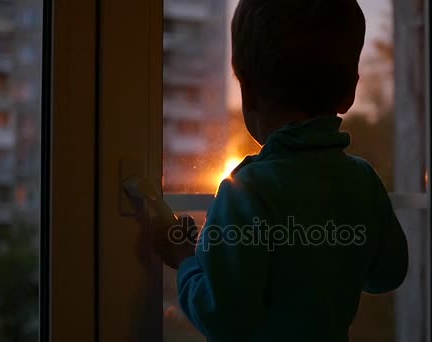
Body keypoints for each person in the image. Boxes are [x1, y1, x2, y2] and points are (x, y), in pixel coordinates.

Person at [152, 0, 408, 340]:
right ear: (350, 92)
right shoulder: (362, 179)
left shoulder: (247, 190)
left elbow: (222, 316)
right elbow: (387, 274)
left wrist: (185, 259)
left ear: (248, 95)